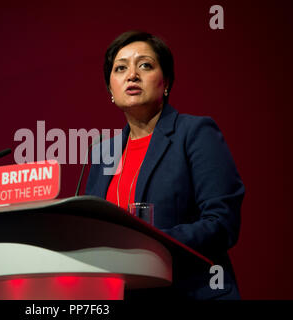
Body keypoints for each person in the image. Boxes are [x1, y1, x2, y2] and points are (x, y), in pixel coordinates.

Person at [84, 31, 245, 300]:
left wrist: (151, 244)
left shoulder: (195, 133)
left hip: (190, 292)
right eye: (120, 68)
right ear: (110, 89)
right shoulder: (103, 153)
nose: (132, 75)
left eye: (145, 65)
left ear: (166, 82)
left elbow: (222, 223)